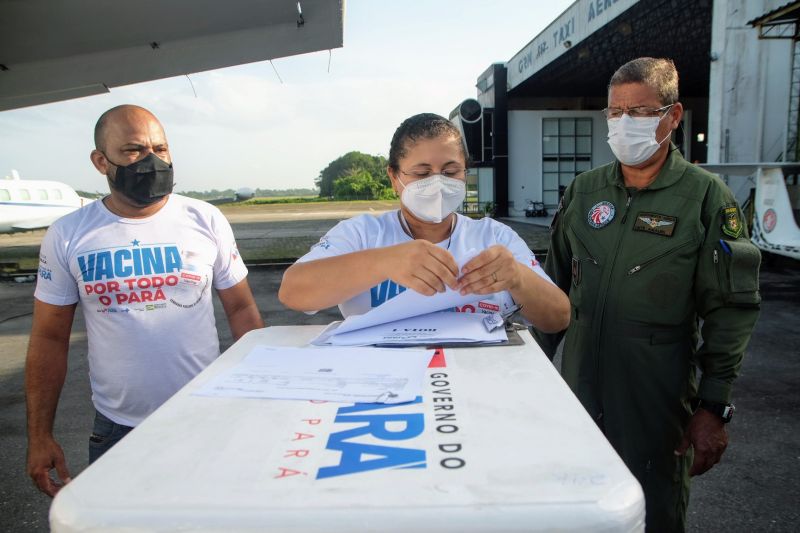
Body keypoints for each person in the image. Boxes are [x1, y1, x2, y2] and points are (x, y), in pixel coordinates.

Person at [534, 58, 761, 532]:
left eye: (639, 112)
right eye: (615, 113)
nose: (623, 124)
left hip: (654, 400)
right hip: (576, 392)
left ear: (673, 116)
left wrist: (713, 407)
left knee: (650, 511)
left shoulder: (705, 198)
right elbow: (548, 290)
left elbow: (730, 311)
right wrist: (525, 381)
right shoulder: (584, 190)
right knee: (575, 509)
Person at [26, 104, 264, 497]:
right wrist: (39, 435)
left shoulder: (204, 219)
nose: (151, 160)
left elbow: (241, 310)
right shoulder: (69, 234)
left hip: (204, 416)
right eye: (134, 151)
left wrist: (259, 396)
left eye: (161, 148)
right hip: (118, 430)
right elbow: (50, 337)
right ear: (101, 161)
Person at [279, 113, 569, 332]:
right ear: (394, 177)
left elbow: (558, 318)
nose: (438, 184)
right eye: (421, 173)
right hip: (382, 376)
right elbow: (293, 291)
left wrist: (517, 277)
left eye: (450, 171)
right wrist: (384, 262)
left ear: (465, 174)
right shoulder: (362, 234)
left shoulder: (493, 236)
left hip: (477, 377)